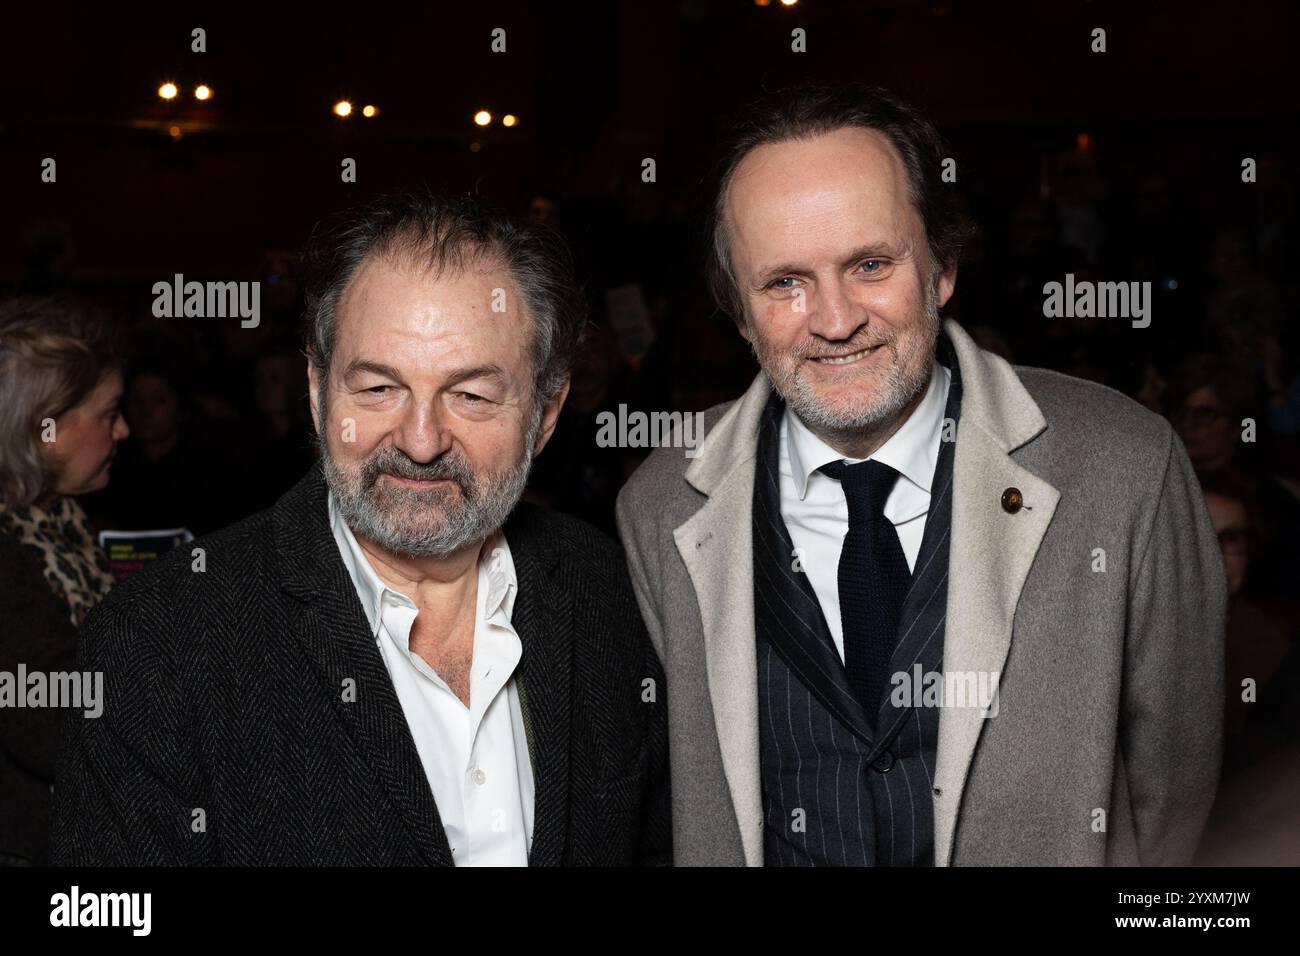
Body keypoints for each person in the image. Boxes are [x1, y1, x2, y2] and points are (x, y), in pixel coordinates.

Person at [616, 83, 1225, 866]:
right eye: (784, 283)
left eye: (870, 265)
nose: (835, 320)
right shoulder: (660, 505)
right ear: (737, 310)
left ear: (941, 269)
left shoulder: (1122, 467)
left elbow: (1176, 793)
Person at [51, 189, 670, 866]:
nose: (422, 439)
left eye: (471, 395)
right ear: (318, 394)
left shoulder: (609, 589)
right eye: (378, 388)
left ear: (546, 412)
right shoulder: (160, 642)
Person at [0, 297, 127, 865]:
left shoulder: (52, 523)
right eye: (106, 413)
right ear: (45, 429)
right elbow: (51, 725)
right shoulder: (10, 559)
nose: (122, 429)